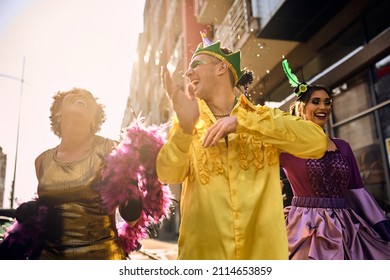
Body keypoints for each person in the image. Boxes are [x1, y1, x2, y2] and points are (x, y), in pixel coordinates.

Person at [156, 33, 328, 260]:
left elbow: (317, 143)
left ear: (222, 67)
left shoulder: (264, 119)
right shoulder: (189, 123)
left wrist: (244, 122)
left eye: (196, 64)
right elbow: (167, 174)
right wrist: (185, 130)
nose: (188, 73)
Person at [0, 88, 171, 260]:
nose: (82, 95)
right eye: (74, 94)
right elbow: (49, 210)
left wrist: (130, 188)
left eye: (88, 97)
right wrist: (33, 212)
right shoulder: (42, 161)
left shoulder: (110, 149)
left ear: (94, 118)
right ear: (58, 112)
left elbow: (132, 219)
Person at [280, 59, 390, 259]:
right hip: (305, 230)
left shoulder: (343, 147)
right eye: (316, 101)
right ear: (302, 107)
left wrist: (380, 225)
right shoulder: (286, 146)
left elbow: (357, 191)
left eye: (327, 102)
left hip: (347, 228)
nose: (323, 106)